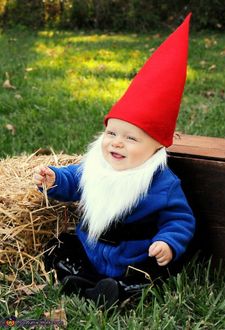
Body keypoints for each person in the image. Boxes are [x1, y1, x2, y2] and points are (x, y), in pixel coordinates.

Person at [33, 13, 195, 307]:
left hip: (134, 257)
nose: (116, 142)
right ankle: (82, 278)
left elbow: (179, 219)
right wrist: (54, 179)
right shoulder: (96, 166)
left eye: (131, 138)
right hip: (92, 248)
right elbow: (73, 179)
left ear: (156, 148)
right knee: (59, 246)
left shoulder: (163, 184)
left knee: (153, 271)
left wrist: (167, 243)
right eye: (111, 132)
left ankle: (120, 289)